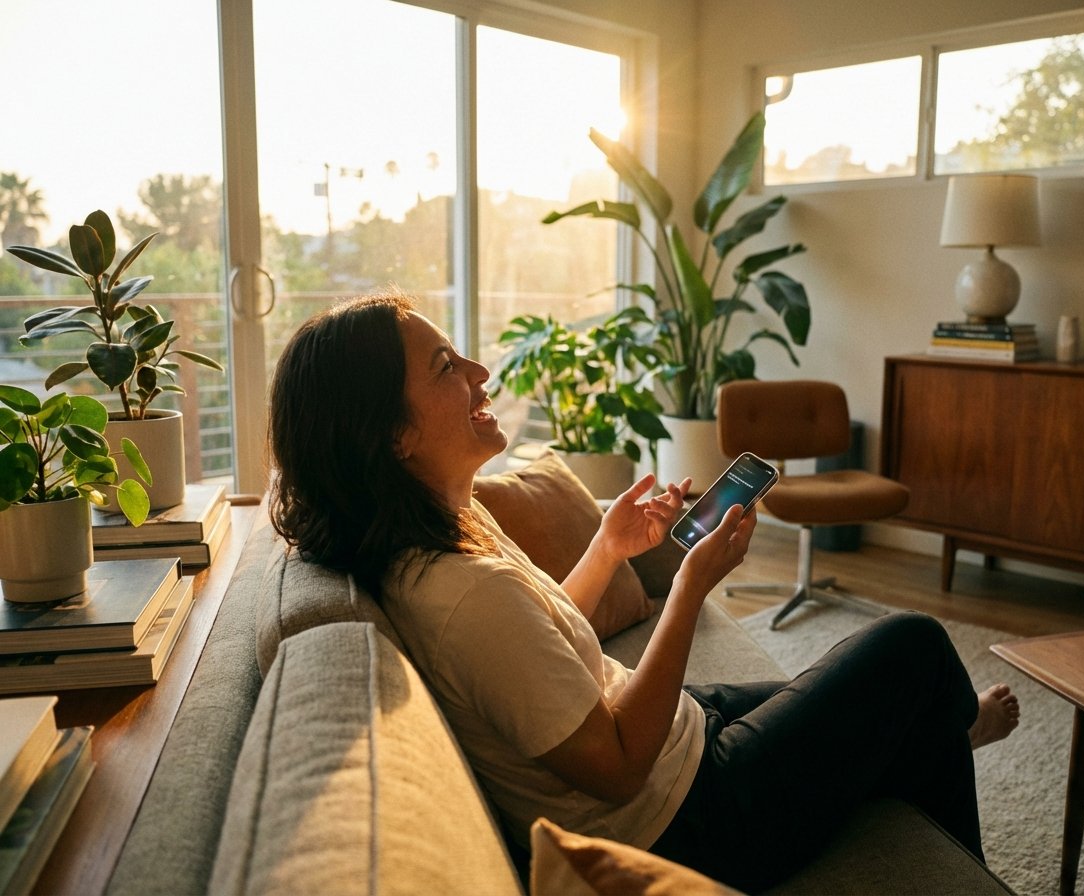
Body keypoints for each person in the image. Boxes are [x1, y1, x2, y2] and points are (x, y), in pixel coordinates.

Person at [268, 290, 1020, 893]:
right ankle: (949, 732)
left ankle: (943, 731)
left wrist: (610, 546)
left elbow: (543, 638)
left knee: (875, 700)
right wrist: (691, 585)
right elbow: (621, 764)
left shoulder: (444, 524)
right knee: (911, 647)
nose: (478, 371)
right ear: (392, 434)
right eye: (442, 366)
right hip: (689, 819)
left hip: (685, 739)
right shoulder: (459, 593)